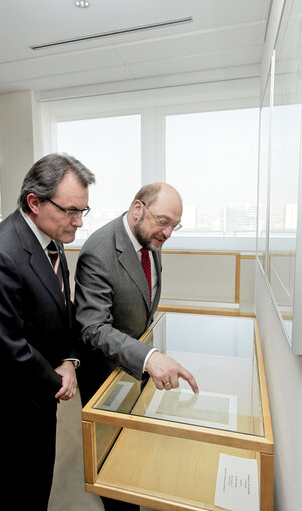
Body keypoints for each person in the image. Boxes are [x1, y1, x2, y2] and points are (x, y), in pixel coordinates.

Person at [0, 153, 95, 511]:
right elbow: (10, 347)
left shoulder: (52, 240)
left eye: (83, 211)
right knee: (17, 499)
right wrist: (59, 382)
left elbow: (62, 310)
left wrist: (69, 360)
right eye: (71, 210)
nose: (79, 222)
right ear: (34, 202)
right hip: (10, 410)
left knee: (38, 491)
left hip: (41, 400)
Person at [74, 182, 199, 511]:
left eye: (175, 225)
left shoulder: (150, 239)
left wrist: (147, 358)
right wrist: (148, 357)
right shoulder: (98, 251)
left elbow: (142, 303)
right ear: (137, 209)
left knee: (134, 458)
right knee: (115, 474)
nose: (168, 233)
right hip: (106, 376)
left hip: (135, 369)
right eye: (164, 221)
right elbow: (92, 328)